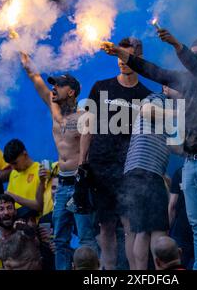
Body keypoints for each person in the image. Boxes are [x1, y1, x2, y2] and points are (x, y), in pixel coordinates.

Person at [102, 30, 197, 270]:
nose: (189, 63)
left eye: (196, 57)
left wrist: (176, 44)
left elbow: (191, 65)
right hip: (192, 162)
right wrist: (123, 54)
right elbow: (156, 72)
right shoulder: (188, 86)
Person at [20, 53, 98, 270]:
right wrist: (26, 60)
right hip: (62, 184)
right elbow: (36, 79)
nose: (53, 89)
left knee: (85, 235)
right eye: (54, 85)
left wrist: (84, 181)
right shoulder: (55, 111)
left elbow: (86, 155)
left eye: (59, 86)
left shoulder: (84, 117)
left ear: (71, 92)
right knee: (59, 238)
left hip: (79, 183)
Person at [79, 37, 152, 270]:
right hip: (100, 166)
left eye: (125, 56)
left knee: (130, 225)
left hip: (130, 167)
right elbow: (87, 127)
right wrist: (83, 163)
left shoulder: (147, 95)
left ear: (137, 58)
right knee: (105, 226)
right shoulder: (101, 87)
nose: (121, 61)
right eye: (118, 56)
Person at [119, 84, 182, 270]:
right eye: (176, 84)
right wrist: (180, 115)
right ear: (165, 88)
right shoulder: (158, 99)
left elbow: (176, 146)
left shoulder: (170, 111)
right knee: (158, 229)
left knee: (142, 230)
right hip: (145, 171)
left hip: (140, 173)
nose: (181, 89)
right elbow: (146, 111)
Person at [0, 194, 42, 270]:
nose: (6, 212)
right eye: (1, 209)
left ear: (15, 211)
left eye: (9, 208)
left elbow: (34, 238)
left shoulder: (24, 231)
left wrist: (26, 228)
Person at [3, 139, 53, 216]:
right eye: (10, 165)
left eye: (15, 163)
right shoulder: (13, 174)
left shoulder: (41, 171)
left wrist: (14, 197)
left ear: (25, 154)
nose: (13, 168)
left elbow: (41, 206)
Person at [168, 167, 194, 269]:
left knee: (179, 264)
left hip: (182, 228)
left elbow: (172, 206)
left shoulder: (180, 172)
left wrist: (168, 232)